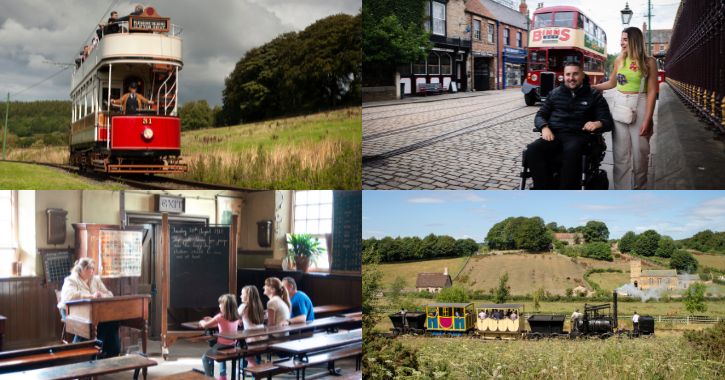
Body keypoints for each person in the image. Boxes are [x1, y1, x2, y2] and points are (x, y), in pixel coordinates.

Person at [528, 62, 614, 189]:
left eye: (575, 74)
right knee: (533, 149)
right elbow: (540, 115)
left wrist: (597, 123)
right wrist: (544, 127)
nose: (571, 78)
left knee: (572, 151)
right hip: (554, 135)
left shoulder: (594, 95)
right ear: (564, 76)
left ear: (582, 75)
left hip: (579, 135)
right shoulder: (554, 94)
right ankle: (543, 191)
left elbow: (608, 121)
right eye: (568, 74)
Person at [592, 27, 658, 189]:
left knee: (640, 154)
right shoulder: (619, 59)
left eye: (625, 39)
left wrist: (647, 119)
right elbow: (612, 83)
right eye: (621, 39)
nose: (621, 43)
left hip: (640, 104)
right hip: (620, 104)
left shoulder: (649, 62)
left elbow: (651, 92)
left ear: (634, 41)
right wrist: (594, 87)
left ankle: (639, 189)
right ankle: (621, 190)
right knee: (620, 155)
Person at [57, 258, 119, 357]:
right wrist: (90, 296)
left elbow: (109, 294)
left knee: (110, 321)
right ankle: (77, 354)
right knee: (86, 324)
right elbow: (69, 296)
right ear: (81, 270)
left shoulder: (96, 279)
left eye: (93, 268)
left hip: (91, 311)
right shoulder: (70, 280)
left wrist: (101, 295)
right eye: (90, 268)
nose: (92, 271)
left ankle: (108, 352)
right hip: (69, 311)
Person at [200, 294, 241, 380]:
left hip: (221, 345)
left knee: (205, 358)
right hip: (233, 344)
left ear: (225, 306)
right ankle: (221, 375)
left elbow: (205, 325)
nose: (219, 305)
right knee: (213, 352)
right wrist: (212, 319)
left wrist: (201, 322)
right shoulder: (236, 316)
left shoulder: (220, 316)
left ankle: (209, 377)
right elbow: (222, 323)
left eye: (220, 304)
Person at [237, 286, 264, 369]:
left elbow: (233, 318)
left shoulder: (244, 306)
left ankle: (252, 370)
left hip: (251, 340)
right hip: (263, 338)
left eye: (242, 294)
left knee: (239, 346)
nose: (240, 296)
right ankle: (255, 366)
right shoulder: (259, 306)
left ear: (248, 296)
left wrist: (239, 320)